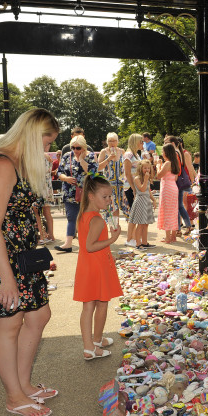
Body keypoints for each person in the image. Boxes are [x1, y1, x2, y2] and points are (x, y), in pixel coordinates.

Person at [0, 108, 60, 416]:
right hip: (2, 258)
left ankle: (23, 384)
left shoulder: (16, 163)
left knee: (39, 316)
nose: (47, 150)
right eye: (46, 143)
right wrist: (6, 278)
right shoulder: (1, 164)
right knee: (9, 324)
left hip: (22, 254)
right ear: (33, 136)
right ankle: (14, 396)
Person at [73, 174, 122, 360]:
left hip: (87, 266)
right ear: (91, 196)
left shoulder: (84, 215)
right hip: (97, 267)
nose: (109, 200)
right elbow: (91, 246)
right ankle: (94, 342)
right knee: (101, 304)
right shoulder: (97, 219)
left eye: (110, 196)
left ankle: (92, 344)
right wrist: (112, 239)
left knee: (88, 307)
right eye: (105, 197)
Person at [55, 135, 95, 252]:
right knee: (71, 218)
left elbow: (93, 173)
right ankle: (68, 244)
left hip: (87, 192)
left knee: (86, 218)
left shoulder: (91, 156)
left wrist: (82, 160)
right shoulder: (67, 156)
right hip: (69, 192)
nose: (75, 150)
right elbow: (59, 172)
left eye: (78, 148)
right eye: (73, 147)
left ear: (84, 147)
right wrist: (66, 178)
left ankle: (88, 243)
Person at [97, 132, 128, 229]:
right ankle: (114, 226)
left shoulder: (122, 151)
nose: (112, 143)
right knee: (112, 206)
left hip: (122, 184)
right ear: (107, 142)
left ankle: (116, 225)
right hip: (109, 184)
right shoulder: (104, 152)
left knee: (121, 205)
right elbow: (98, 167)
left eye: (114, 141)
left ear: (117, 142)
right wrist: (109, 159)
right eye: (110, 141)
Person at [128, 160, 156, 248]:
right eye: (145, 168)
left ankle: (144, 242)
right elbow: (142, 189)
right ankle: (138, 243)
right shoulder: (137, 178)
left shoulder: (146, 178)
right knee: (140, 224)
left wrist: (154, 200)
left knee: (145, 224)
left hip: (146, 201)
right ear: (141, 168)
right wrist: (146, 179)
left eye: (148, 168)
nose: (147, 170)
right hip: (140, 201)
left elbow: (148, 190)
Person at [156, 143, 180, 243]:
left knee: (167, 212)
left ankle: (167, 237)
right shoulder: (175, 163)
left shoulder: (167, 163)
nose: (162, 153)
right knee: (173, 212)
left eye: (163, 151)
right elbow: (175, 177)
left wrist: (158, 166)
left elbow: (159, 175)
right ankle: (173, 236)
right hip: (173, 187)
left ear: (166, 152)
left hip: (167, 189)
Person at [123, 133, 144, 246]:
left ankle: (133, 238)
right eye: (141, 141)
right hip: (131, 187)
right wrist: (133, 189)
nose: (142, 144)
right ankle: (129, 239)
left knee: (135, 214)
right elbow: (127, 173)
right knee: (134, 214)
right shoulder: (129, 155)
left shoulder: (136, 154)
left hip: (136, 187)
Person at [35, 139, 56, 244]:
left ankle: (42, 236)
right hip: (47, 188)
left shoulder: (36, 157)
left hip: (38, 187)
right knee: (47, 212)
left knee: (35, 211)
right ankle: (51, 235)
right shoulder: (48, 157)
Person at [173, 136, 195, 236]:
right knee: (181, 205)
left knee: (182, 205)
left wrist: (193, 182)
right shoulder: (181, 153)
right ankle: (186, 225)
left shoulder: (184, 153)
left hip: (182, 181)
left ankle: (182, 227)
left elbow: (190, 168)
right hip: (182, 181)